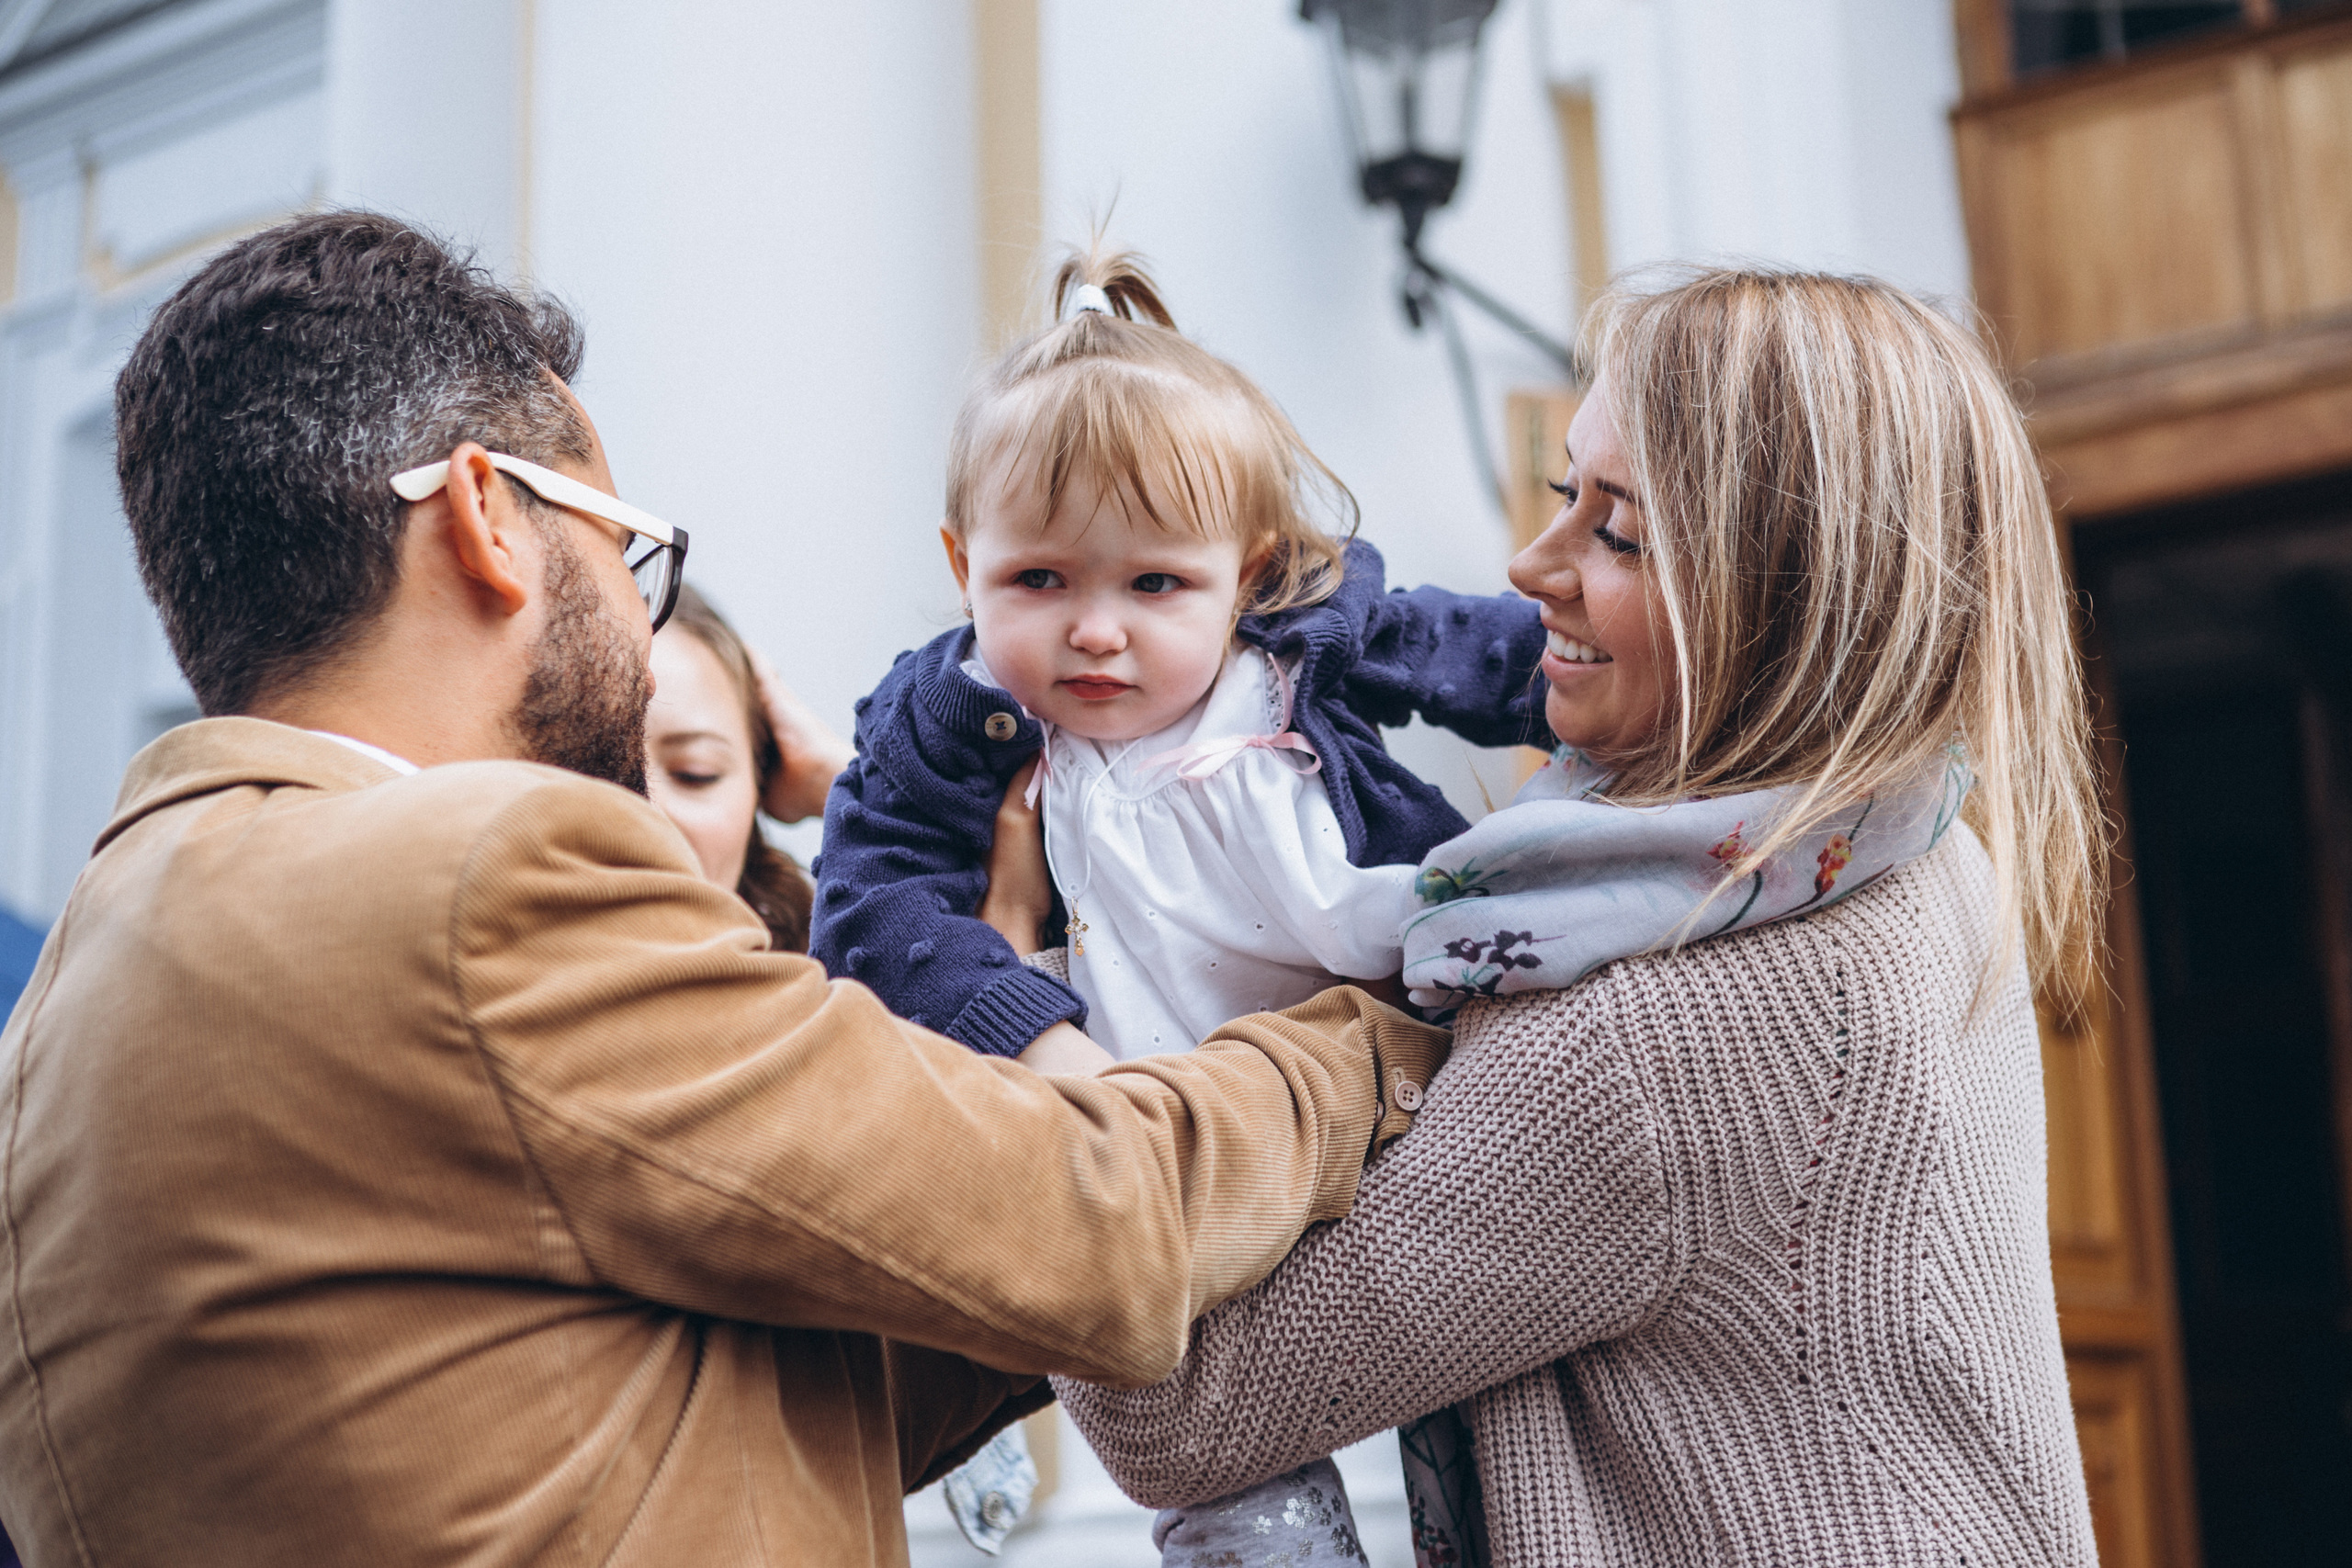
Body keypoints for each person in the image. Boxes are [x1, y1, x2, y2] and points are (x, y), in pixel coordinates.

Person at [0, 211, 1448, 1568]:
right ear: (489, 517)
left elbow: (715, 1400)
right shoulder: (478, 878)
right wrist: (1388, 1015)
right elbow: (1098, 1215)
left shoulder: (87, 983)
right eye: (624, 545)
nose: (641, 624)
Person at [1057, 269, 2108, 1567]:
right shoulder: (1908, 848)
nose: (1529, 565)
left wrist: (1030, 967)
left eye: (1620, 535)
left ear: (1785, 597)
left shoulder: (1649, 1036)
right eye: (1566, 494)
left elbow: (1187, 1415)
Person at [812, 243, 1549, 1076]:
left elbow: (1513, 658)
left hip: (1410, 1039)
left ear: (1246, 576)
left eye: (1155, 582)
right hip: (1130, 1107)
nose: (1097, 631)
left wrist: (1660, 679)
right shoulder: (944, 725)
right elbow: (871, 916)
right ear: (964, 570)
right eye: (1038, 578)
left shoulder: (1302, 643)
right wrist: (1037, 1042)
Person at [645, 582, 847, 952]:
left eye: (695, 774)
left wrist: (843, 783)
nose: (649, 812)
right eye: (597, 768)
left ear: (760, 783)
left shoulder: (829, 977)